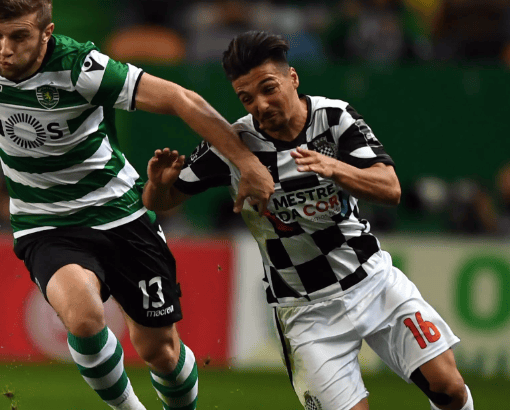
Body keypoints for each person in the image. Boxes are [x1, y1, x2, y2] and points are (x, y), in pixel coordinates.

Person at [0, 0, 274, 410]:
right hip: (45, 223)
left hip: (120, 214)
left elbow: (181, 99)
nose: (4, 49)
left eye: (19, 36)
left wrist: (247, 162)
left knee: (160, 351)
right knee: (84, 319)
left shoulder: (81, 69)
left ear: (46, 33)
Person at [142, 31, 473, 410]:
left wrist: (335, 168)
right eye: (246, 98)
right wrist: (157, 185)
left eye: (268, 89)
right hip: (306, 311)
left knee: (449, 388)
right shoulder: (234, 144)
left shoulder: (334, 118)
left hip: (373, 282)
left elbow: (390, 187)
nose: (260, 105)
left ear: (293, 77)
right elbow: (161, 201)